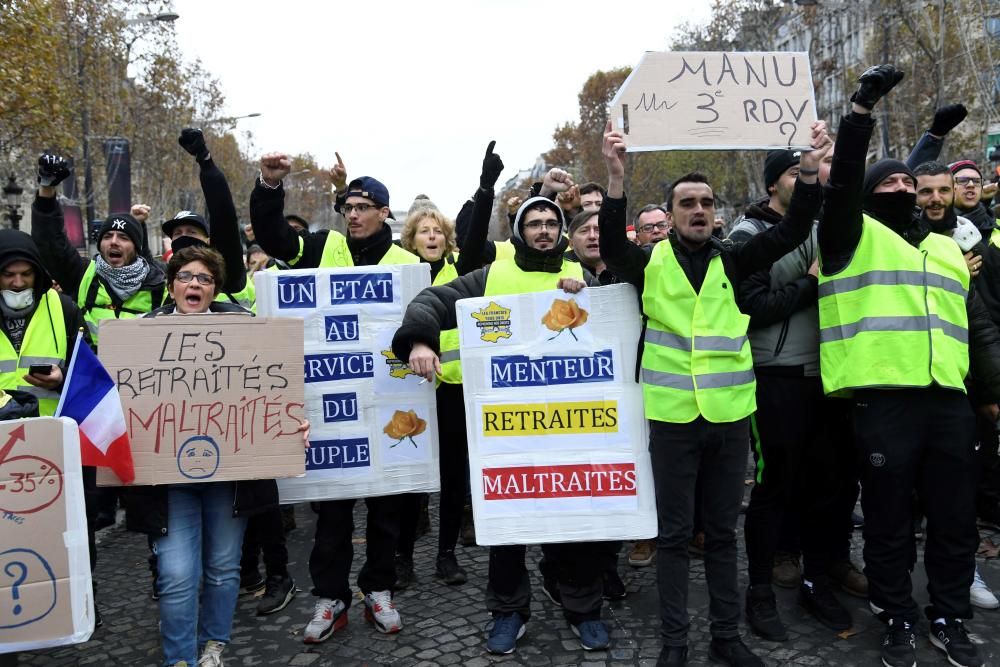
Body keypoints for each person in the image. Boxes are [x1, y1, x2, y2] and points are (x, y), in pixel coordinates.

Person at [599, 117, 829, 667]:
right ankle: (674, 644)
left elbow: (794, 230)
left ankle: (726, 636)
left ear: (716, 211)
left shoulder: (734, 257)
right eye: (686, 203)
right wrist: (614, 178)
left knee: (722, 534)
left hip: (729, 419)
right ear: (671, 214)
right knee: (676, 538)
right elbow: (609, 242)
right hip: (674, 420)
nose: (698, 210)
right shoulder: (646, 264)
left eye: (705, 201)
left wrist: (812, 171)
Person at [815, 64, 1000, 667]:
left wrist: (988, 394)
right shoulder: (850, 237)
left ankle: (949, 615)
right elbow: (845, 183)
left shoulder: (948, 248)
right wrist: (860, 114)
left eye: (908, 185)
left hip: (949, 400)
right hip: (884, 401)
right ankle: (897, 613)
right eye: (887, 186)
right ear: (869, 198)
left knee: (955, 520)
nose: (899, 191)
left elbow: (975, 326)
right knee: (890, 522)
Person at [392, 196, 615, 656]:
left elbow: (616, 321)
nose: (543, 230)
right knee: (509, 521)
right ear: (519, 231)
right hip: (507, 429)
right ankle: (508, 610)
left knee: (573, 517)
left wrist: (594, 292)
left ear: (561, 232)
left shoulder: (579, 277)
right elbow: (431, 300)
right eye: (533, 223)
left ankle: (581, 606)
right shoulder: (490, 277)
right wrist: (419, 339)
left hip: (570, 426)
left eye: (551, 222)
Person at [250, 153, 418, 641]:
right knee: (332, 512)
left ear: (385, 212)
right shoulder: (325, 247)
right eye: (348, 207)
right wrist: (269, 185)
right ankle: (331, 597)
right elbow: (274, 236)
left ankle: (379, 588)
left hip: (389, 403)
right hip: (332, 403)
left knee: (387, 511)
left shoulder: (410, 265)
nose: (354, 215)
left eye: (364, 207)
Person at [123, 245, 307, 667]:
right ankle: (179, 659)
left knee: (224, 569)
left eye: (204, 279)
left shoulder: (245, 330)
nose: (195, 284)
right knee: (175, 575)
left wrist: (292, 422)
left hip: (230, 481)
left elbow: (274, 393)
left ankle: (212, 648)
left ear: (215, 289)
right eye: (186, 276)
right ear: (171, 286)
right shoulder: (139, 335)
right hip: (167, 483)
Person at [729, 148, 859, 641]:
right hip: (777, 374)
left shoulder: (827, 226)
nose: (810, 178)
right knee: (774, 485)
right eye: (795, 172)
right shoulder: (749, 235)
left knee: (827, 485)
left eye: (814, 170)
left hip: (829, 373)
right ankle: (759, 591)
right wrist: (810, 283)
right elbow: (753, 307)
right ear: (771, 185)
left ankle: (816, 578)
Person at [393, 140, 504, 589]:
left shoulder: (464, 268)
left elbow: (476, 233)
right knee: (410, 476)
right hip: (407, 387)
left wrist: (484, 189)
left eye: (438, 230)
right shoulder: (398, 272)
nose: (433, 237)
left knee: (454, 472)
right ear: (411, 240)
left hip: (454, 386)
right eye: (424, 232)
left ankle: (446, 554)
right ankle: (402, 557)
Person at [913, 160, 1000, 611]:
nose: (935, 200)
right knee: (903, 496)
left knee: (957, 493)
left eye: (942, 190)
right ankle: (895, 581)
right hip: (907, 385)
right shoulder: (901, 240)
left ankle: (963, 572)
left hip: (959, 384)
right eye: (924, 191)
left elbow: (981, 323)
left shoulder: (973, 239)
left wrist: (989, 393)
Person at [30, 154, 166, 346]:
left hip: (142, 374)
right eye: (108, 236)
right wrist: (47, 187)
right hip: (94, 373)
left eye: (124, 237)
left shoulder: (159, 284)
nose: (114, 242)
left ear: (136, 248)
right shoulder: (84, 274)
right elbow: (50, 242)